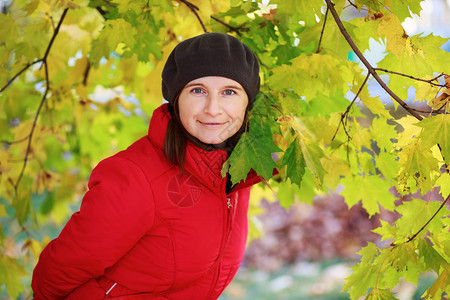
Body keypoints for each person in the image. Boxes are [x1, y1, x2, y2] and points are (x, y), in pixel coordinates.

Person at [32, 32, 265, 299]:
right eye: (197, 90)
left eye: (229, 92)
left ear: (248, 102)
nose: (213, 108)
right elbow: (55, 274)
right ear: (175, 99)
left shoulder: (236, 168)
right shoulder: (136, 177)